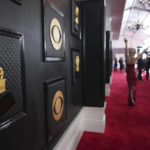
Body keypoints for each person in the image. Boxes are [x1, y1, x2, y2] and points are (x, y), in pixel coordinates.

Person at [124, 38, 149, 106]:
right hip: (132, 75)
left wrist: (144, 51)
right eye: (134, 51)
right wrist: (126, 43)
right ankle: (132, 99)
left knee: (132, 88)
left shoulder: (131, 58)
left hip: (131, 75)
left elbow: (139, 55)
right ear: (132, 52)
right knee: (132, 88)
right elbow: (127, 51)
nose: (135, 52)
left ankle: (131, 99)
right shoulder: (131, 58)